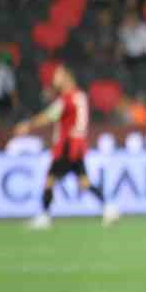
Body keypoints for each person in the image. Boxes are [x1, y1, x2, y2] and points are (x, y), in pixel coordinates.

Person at [13, 65, 120, 229]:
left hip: (66, 146)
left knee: (49, 181)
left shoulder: (67, 99)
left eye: (58, 76)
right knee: (84, 182)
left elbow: (49, 116)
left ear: (67, 78)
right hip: (77, 145)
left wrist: (27, 126)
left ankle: (44, 217)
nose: (55, 79)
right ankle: (109, 207)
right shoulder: (80, 96)